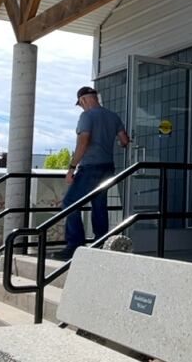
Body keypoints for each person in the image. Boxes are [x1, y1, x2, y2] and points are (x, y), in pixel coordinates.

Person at [51, 86, 129, 260]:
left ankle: (74, 245)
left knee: (70, 202)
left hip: (90, 166)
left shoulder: (86, 116)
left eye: (80, 104)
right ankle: (101, 242)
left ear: (84, 99)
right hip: (108, 166)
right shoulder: (113, 116)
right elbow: (124, 140)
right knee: (99, 204)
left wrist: (71, 167)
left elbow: (83, 142)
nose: (81, 107)